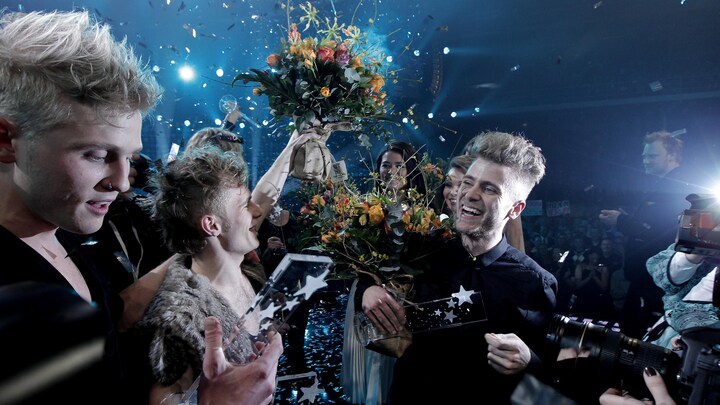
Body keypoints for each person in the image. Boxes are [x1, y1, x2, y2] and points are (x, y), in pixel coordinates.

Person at [0, 10, 281, 404]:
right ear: (7, 140)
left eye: (129, 157)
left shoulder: (65, 239)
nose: (120, 182)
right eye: (97, 155)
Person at [356, 131, 558, 404]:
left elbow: (547, 376)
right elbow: (368, 277)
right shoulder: (420, 249)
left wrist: (529, 361)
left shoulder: (534, 283)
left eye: (489, 189)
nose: (469, 195)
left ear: (516, 209)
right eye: (468, 183)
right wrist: (367, 290)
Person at [129, 145, 283, 404]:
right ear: (212, 225)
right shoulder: (179, 318)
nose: (257, 211)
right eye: (245, 204)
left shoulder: (251, 271)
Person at [341, 140, 427, 405]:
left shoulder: (424, 213)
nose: (392, 171)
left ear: (410, 170)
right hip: (368, 294)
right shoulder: (364, 208)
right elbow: (354, 259)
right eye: (386, 165)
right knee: (370, 365)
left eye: (400, 165)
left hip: (405, 298)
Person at [599, 130, 696, 338]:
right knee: (631, 329)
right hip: (647, 277)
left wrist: (621, 221)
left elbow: (660, 231)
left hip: (657, 281)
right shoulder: (661, 184)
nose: (646, 160)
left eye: (652, 156)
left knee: (641, 334)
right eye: (644, 156)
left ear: (671, 156)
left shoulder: (678, 186)